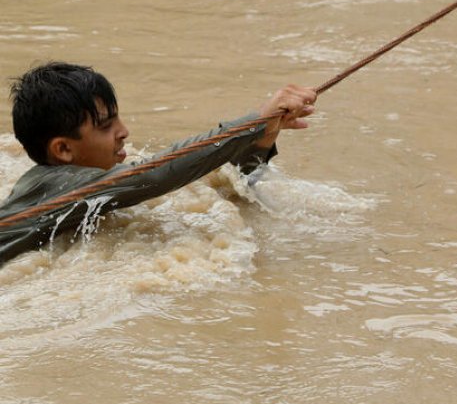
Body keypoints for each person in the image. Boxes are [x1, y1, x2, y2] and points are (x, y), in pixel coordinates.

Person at [0, 62, 317, 265]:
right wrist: (253, 122)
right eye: (106, 126)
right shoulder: (61, 183)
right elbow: (158, 174)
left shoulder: (71, 181)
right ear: (64, 150)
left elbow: (225, 185)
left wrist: (261, 139)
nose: (124, 132)